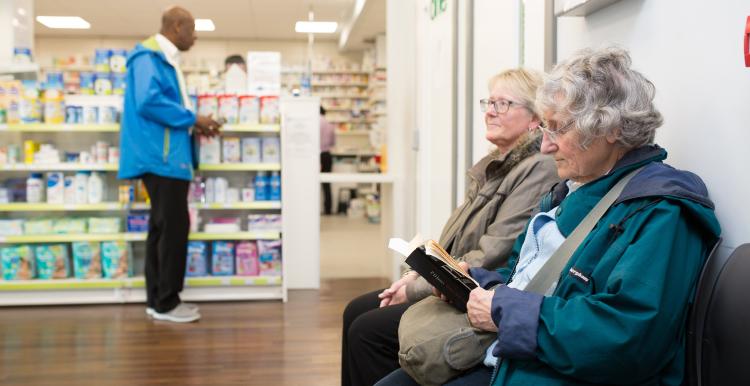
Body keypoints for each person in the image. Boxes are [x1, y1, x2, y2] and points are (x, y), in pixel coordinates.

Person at [375, 46, 721, 386]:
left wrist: (502, 310)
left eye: (559, 129)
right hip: (525, 354)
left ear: (611, 129)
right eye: (545, 129)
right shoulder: (569, 191)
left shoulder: (661, 212)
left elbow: (627, 337)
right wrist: (474, 282)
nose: (545, 146)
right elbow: (523, 279)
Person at [342, 68, 560, 386]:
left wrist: (418, 286)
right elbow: (452, 241)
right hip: (447, 281)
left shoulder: (538, 168)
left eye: (503, 104)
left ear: (533, 119)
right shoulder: (495, 167)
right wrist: (416, 274)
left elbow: (492, 253)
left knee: (367, 330)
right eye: (489, 102)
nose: (490, 112)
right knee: (355, 310)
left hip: (473, 290)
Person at [119, 6, 221, 323]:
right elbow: (149, 102)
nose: (195, 35)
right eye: (192, 28)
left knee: (162, 228)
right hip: (161, 158)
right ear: (177, 27)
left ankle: (158, 300)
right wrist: (194, 118)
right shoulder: (148, 58)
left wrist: (195, 124)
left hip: (164, 157)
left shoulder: (161, 59)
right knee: (174, 228)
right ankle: (167, 302)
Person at [320, 106, 336, 215]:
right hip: (326, 155)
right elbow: (333, 143)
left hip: (313, 156)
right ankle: (328, 209)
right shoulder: (330, 125)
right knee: (326, 183)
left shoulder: (312, 123)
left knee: (310, 182)